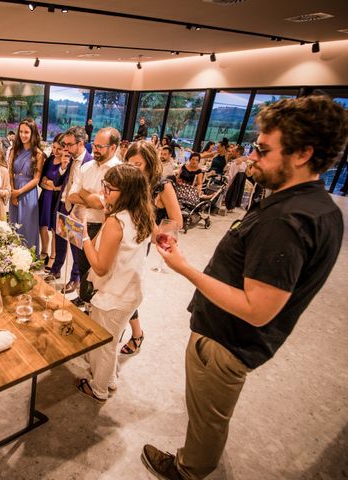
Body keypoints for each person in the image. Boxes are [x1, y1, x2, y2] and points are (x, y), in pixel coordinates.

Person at [142, 95, 347, 480]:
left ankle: (189, 468)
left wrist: (185, 268)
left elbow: (258, 308)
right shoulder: (318, 207)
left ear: (303, 153)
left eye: (263, 149)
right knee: (210, 413)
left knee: (208, 419)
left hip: (227, 342)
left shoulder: (287, 220)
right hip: (232, 336)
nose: (252, 156)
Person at [75, 164, 155, 401]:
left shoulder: (115, 221)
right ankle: (108, 379)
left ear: (127, 192)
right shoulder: (142, 214)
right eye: (105, 186)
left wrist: (84, 236)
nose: (105, 191)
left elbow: (100, 266)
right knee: (112, 338)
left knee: (105, 345)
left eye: (110, 188)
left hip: (113, 294)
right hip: (130, 290)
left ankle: (98, 389)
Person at [121, 140, 183, 355]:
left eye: (137, 164)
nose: (132, 168)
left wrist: (148, 216)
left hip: (142, 243)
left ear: (148, 163)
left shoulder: (162, 186)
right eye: (129, 163)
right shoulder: (129, 180)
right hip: (121, 237)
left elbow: (177, 223)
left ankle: (136, 333)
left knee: (127, 290)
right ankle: (120, 328)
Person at [68, 127, 122, 305]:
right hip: (78, 223)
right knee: (81, 265)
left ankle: (92, 305)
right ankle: (84, 298)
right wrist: (91, 196)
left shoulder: (119, 171)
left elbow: (102, 204)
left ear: (113, 148)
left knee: (98, 271)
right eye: (94, 145)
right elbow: (71, 195)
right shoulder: (86, 167)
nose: (95, 150)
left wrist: (84, 193)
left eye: (100, 146)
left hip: (102, 226)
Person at [49, 126, 92, 289]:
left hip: (77, 209)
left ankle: (75, 278)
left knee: (75, 245)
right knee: (59, 239)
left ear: (80, 143)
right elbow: (58, 183)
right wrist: (63, 167)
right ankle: (56, 269)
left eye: (68, 144)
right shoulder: (69, 159)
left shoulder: (90, 162)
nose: (65, 148)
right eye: (64, 144)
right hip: (62, 204)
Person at [9, 118, 44, 250]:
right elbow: (10, 172)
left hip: (28, 192)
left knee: (27, 225)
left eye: (26, 132)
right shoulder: (14, 150)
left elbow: (36, 179)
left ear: (33, 133)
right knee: (14, 223)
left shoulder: (38, 154)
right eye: (21, 131)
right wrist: (13, 192)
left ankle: (28, 258)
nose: (23, 135)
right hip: (14, 189)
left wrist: (19, 192)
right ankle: (12, 257)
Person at [38, 133, 67, 265]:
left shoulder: (66, 163)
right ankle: (44, 252)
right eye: (54, 147)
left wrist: (53, 187)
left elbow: (62, 185)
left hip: (56, 200)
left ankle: (53, 256)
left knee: (55, 229)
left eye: (59, 149)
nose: (55, 151)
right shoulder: (49, 160)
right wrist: (50, 185)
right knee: (42, 226)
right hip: (45, 197)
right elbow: (41, 180)